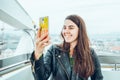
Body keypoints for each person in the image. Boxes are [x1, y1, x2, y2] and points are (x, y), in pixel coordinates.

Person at [30, 14, 103, 80]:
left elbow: (98, 78)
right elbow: (41, 78)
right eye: (64, 28)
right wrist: (38, 53)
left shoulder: (90, 53)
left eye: (71, 28)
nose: (66, 31)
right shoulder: (54, 50)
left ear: (80, 30)